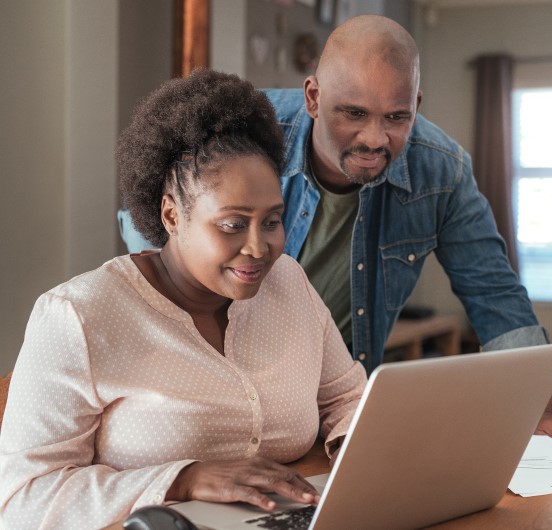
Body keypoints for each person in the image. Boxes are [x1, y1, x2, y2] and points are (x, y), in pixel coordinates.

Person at [120, 15, 552, 465]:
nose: (373, 138)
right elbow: (156, 242)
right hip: (221, 385)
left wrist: (541, 411)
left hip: (338, 400)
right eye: (353, 114)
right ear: (314, 97)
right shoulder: (244, 139)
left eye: (396, 117)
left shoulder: (442, 170)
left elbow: (494, 294)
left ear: (417, 104)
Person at [0, 69, 367, 530]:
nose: (259, 248)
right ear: (172, 214)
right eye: (233, 224)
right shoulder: (77, 317)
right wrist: (182, 479)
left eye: (272, 221)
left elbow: (348, 396)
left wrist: (365, 452)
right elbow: (21, 500)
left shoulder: (288, 282)